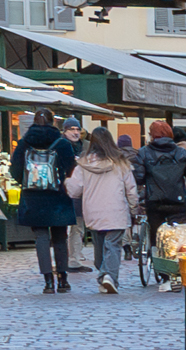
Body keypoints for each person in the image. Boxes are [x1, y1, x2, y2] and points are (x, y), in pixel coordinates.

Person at [9, 108, 78, 292]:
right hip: (58, 196)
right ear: (52, 122)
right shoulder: (62, 143)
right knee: (60, 238)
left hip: (34, 198)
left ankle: (48, 280)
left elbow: (14, 170)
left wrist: (27, 183)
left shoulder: (24, 143)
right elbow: (71, 169)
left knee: (40, 237)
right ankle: (63, 278)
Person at [65, 126, 141, 294]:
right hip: (116, 210)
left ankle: (103, 274)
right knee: (113, 245)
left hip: (93, 211)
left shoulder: (83, 164)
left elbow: (75, 190)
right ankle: (109, 276)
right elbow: (131, 188)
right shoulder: (121, 163)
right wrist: (134, 207)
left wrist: (66, 182)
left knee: (99, 246)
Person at [131, 119, 186, 259]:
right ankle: (175, 266)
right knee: (178, 237)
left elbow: (138, 178)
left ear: (152, 135)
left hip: (154, 202)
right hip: (178, 202)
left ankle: (160, 268)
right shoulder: (182, 153)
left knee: (156, 237)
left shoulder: (144, 153)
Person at [60, 117, 89, 272]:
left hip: (80, 193)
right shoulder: (59, 145)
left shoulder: (86, 147)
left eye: (78, 129)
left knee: (78, 227)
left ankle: (74, 260)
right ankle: (63, 259)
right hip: (62, 193)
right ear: (65, 130)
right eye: (72, 129)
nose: (75, 132)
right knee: (63, 228)